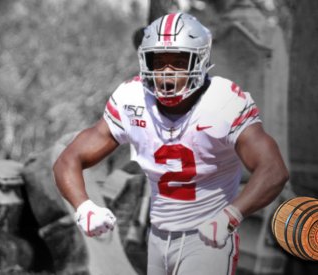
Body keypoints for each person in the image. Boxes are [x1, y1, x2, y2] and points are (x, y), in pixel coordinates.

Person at [53, 12, 289, 275]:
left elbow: (273, 170)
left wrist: (230, 216)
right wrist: (84, 207)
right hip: (158, 237)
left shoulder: (224, 101)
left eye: (178, 62)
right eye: (158, 61)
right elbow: (68, 158)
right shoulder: (132, 98)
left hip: (208, 239)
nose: (166, 72)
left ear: (200, 61)